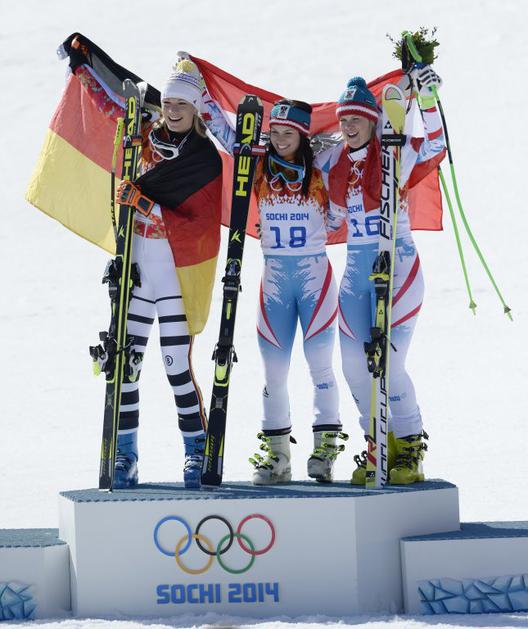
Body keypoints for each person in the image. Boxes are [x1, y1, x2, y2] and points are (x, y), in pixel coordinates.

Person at [79, 58, 223, 488]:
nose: (174, 111)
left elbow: (201, 224)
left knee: (176, 365)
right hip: (138, 271)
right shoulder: (139, 140)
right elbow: (110, 105)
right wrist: (84, 66)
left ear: (196, 109)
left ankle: (196, 450)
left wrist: (143, 202)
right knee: (126, 365)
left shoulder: (204, 159)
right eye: (169, 103)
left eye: (183, 104)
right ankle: (125, 454)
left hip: (175, 275)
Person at [202, 93, 347, 484]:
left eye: (288, 134)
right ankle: (277, 456)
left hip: (314, 279)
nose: (280, 140)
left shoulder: (321, 164)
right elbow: (225, 134)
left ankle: (325, 451)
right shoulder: (258, 165)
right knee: (274, 371)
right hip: (275, 281)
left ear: (302, 135)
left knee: (320, 365)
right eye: (276, 133)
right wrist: (198, 91)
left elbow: (358, 138)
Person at [316, 67, 445, 484]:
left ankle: (409, 446)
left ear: (373, 121)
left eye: (357, 118)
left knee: (388, 362)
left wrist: (427, 100)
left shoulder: (394, 149)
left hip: (399, 263)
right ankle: (377, 444)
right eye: (344, 120)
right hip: (357, 268)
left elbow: (437, 145)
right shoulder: (334, 162)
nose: (349, 126)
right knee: (354, 365)